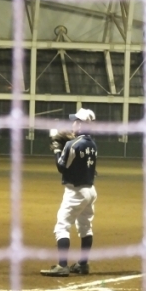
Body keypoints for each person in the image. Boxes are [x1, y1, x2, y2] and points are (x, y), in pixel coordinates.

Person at [41, 108, 98, 277]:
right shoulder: (92, 144)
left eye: (76, 122)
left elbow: (61, 167)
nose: (73, 124)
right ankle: (82, 264)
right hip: (90, 190)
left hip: (76, 191)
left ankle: (62, 266)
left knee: (62, 226)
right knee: (85, 227)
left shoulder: (72, 145)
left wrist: (57, 149)